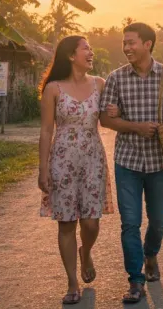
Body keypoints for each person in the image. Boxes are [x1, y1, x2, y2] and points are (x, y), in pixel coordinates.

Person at [99, 23, 163, 304]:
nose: (127, 47)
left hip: (159, 162)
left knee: (159, 219)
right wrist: (135, 127)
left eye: (132, 42)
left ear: (148, 44)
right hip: (126, 161)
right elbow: (105, 119)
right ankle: (135, 280)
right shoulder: (116, 78)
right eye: (124, 43)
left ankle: (150, 253)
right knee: (130, 222)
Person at [38, 36, 114, 306]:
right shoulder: (54, 89)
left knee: (92, 222)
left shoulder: (101, 84)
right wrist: (43, 168)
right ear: (71, 55)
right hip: (62, 161)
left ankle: (87, 251)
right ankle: (72, 282)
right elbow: (47, 130)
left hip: (93, 158)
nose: (91, 52)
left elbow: (109, 117)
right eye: (86, 49)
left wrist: (114, 110)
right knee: (67, 222)